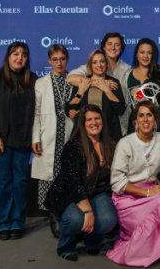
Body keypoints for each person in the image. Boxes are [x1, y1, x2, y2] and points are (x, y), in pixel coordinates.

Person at [0, 42, 38, 241]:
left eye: (24, 54)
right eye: (15, 54)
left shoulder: (33, 80)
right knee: (2, 183)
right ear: (8, 56)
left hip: (22, 141)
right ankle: (3, 223)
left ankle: (17, 223)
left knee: (20, 182)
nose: (19, 57)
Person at [108, 101, 160, 266]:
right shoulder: (125, 144)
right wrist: (148, 193)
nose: (145, 119)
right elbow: (117, 183)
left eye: (150, 115)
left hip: (153, 194)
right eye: (141, 115)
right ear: (135, 121)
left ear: (156, 120)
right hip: (127, 198)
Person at [45, 105, 119, 261]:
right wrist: (88, 212)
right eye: (89, 119)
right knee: (75, 220)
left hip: (97, 192)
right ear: (82, 123)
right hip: (69, 195)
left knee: (108, 221)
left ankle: (92, 242)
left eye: (97, 118)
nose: (94, 122)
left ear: (103, 121)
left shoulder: (111, 144)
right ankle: (66, 247)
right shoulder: (72, 147)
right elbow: (73, 184)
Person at [31, 44, 77, 239]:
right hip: (48, 135)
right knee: (49, 177)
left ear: (67, 60)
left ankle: (68, 214)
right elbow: (37, 112)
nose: (59, 63)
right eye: (55, 59)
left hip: (69, 134)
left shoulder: (75, 81)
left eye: (62, 59)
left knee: (68, 176)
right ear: (49, 61)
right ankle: (53, 215)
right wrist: (35, 137)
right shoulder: (40, 83)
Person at [119, 38, 160, 143]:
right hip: (134, 128)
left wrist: (152, 114)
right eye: (142, 52)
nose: (145, 56)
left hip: (159, 128)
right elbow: (125, 103)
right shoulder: (127, 75)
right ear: (136, 54)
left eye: (149, 53)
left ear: (154, 55)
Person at [66, 50, 126, 141]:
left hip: (108, 134)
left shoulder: (113, 82)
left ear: (106, 64)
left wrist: (106, 89)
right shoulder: (83, 82)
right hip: (84, 135)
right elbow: (70, 109)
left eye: (102, 61)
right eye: (95, 62)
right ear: (90, 65)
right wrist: (81, 93)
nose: (99, 65)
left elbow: (121, 109)